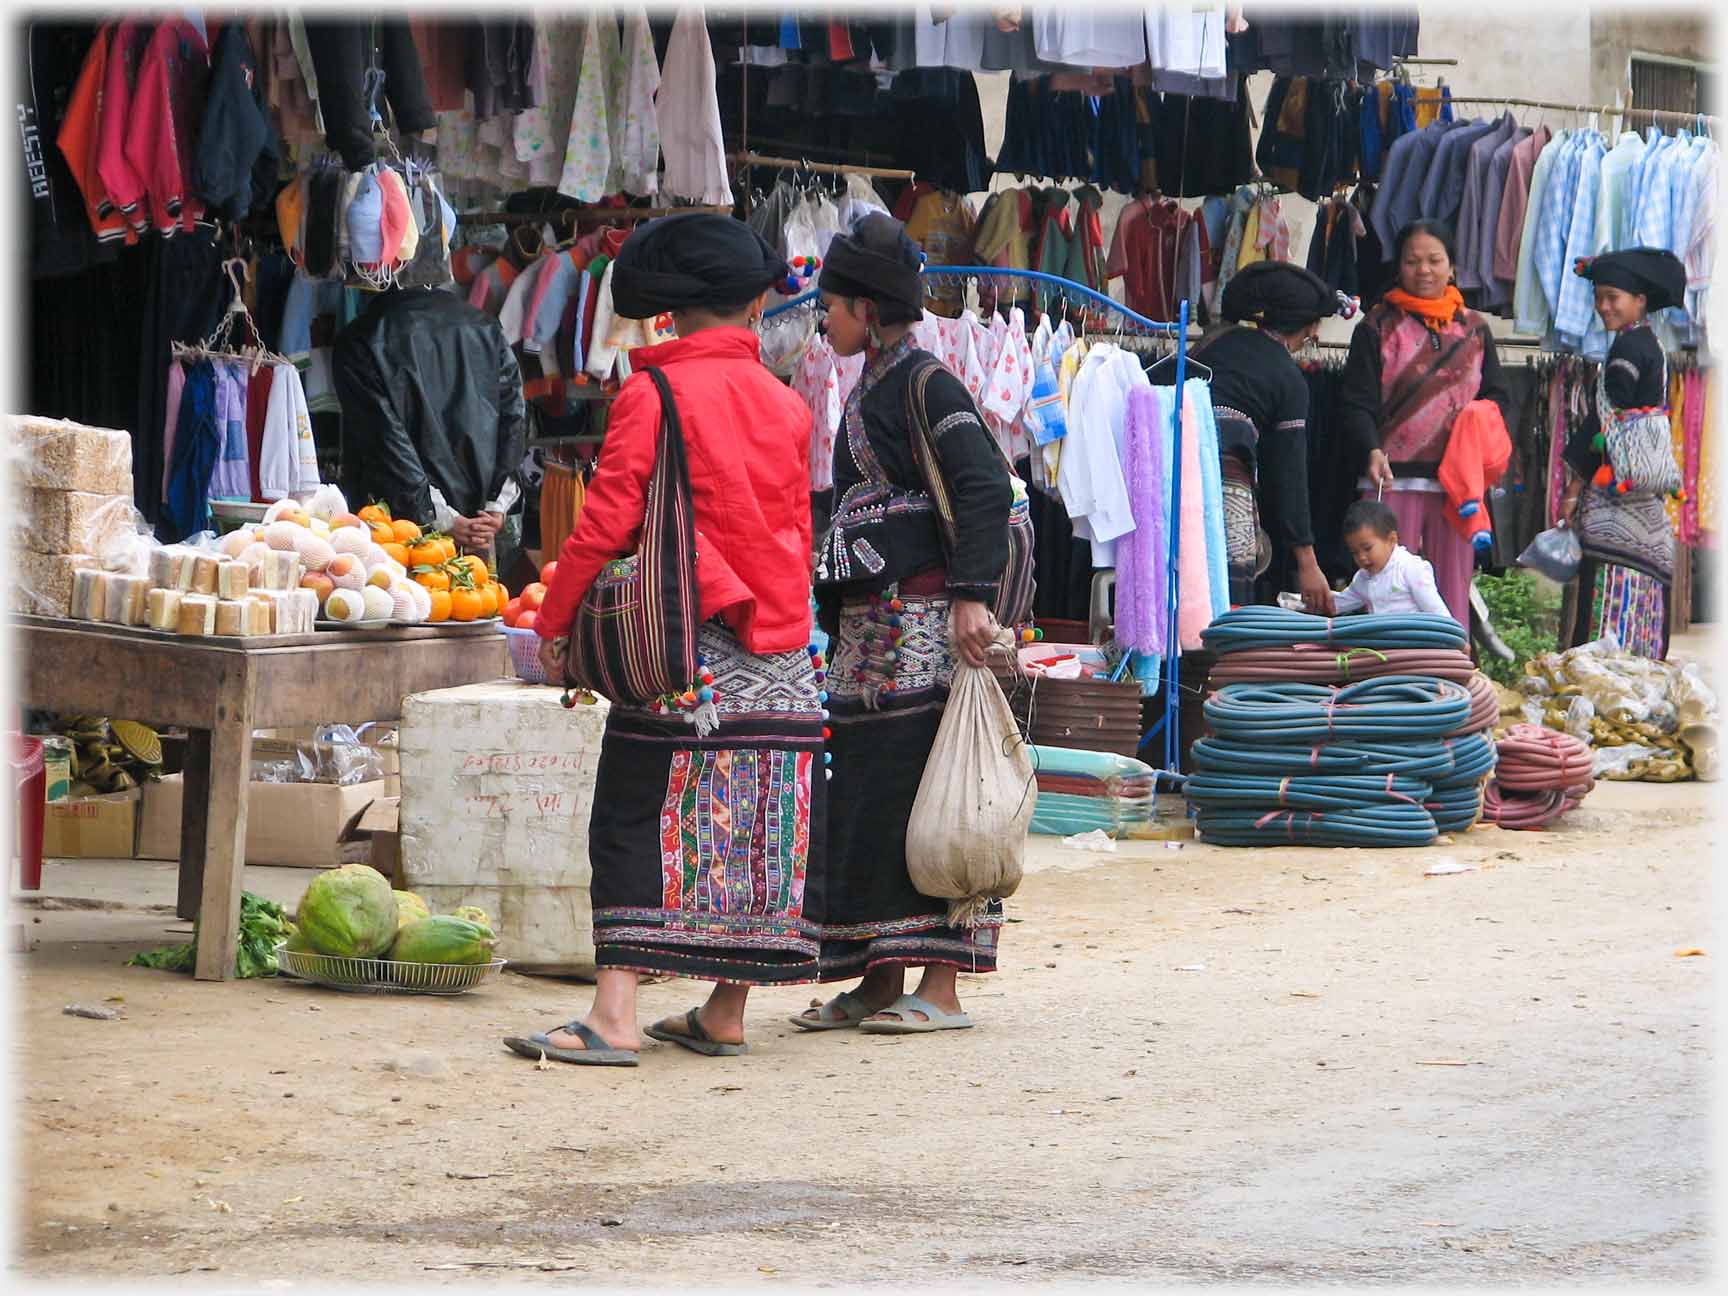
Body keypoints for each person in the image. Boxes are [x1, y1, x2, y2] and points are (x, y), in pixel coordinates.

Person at [504, 215, 820, 1066]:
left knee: (634, 815)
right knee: (760, 828)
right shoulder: (789, 405)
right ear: (754, 305)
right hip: (784, 654)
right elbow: (795, 529)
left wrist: (554, 621)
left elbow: (606, 522)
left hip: (686, 655)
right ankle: (724, 1010)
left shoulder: (655, 394)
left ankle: (613, 1018)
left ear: (667, 316)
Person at [795, 212, 1012, 1035]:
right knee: (875, 798)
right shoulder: (872, 383)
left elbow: (985, 486)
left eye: (834, 307)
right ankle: (880, 975)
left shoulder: (927, 383)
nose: (827, 321)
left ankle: (944, 985)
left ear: (868, 308)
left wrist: (969, 594)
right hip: (870, 638)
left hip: (928, 631)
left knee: (937, 797)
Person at [1337, 219, 1511, 626]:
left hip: (1456, 487)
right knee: (1384, 591)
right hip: (1390, 479)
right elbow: (1355, 403)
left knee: (1449, 595)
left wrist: (1479, 446)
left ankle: (1448, 680)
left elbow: (1498, 398)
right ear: (1399, 267)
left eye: (1435, 260)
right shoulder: (1376, 327)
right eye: (1413, 261)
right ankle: (1380, 680)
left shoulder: (1475, 328)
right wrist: (1371, 449)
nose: (1425, 270)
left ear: (1452, 268)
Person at [1188, 260, 1351, 611]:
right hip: (1218, 479)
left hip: (1163, 475)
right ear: (1304, 328)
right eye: (1314, 326)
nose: (1316, 335)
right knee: (1220, 602)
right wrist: (1308, 564)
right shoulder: (1287, 378)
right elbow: (1288, 475)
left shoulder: (1210, 345)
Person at [333, 287, 527, 562]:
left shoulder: (360, 339)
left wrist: (436, 514)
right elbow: (514, 419)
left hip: (401, 531)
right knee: (475, 597)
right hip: (476, 524)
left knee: (407, 602)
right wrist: (496, 505)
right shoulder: (485, 327)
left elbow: (386, 442)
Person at [1558, 247, 1687, 659]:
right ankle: (1639, 663)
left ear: (1640, 301)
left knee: (1608, 583)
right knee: (1641, 582)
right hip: (1639, 491)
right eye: (1598, 297)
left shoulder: (1629, 351)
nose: (1603, 306)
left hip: (1616, 490)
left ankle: (1605, 671)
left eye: (1613, 297)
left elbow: (1604, 422)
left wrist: (1573, 487)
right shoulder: (1649, 344)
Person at [1332, 499, 1454, 618]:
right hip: (1380, 638)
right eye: (1354, 552)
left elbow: (1437, 612)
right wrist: (1316, 600)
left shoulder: (1411, 568)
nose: (1361, 557)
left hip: (1414, 637)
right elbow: (1338, 603)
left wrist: (1453, 636)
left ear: (1391, 540)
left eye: (1367, 548)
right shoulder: (1363, 578)